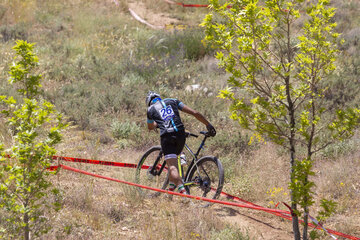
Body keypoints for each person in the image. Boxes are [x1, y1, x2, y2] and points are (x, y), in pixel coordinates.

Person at [146, 91, 216, 195]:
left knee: (172, 166)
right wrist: (208, 124)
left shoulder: (150, 109)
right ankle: (170, 192)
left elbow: (150, 127)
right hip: (180, 134)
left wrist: (158, 123)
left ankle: (183, 194)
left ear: (149, 102)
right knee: (174, 162)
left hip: (167, 136)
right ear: (160, 98)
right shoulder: (172, 100)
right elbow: (194, 112)